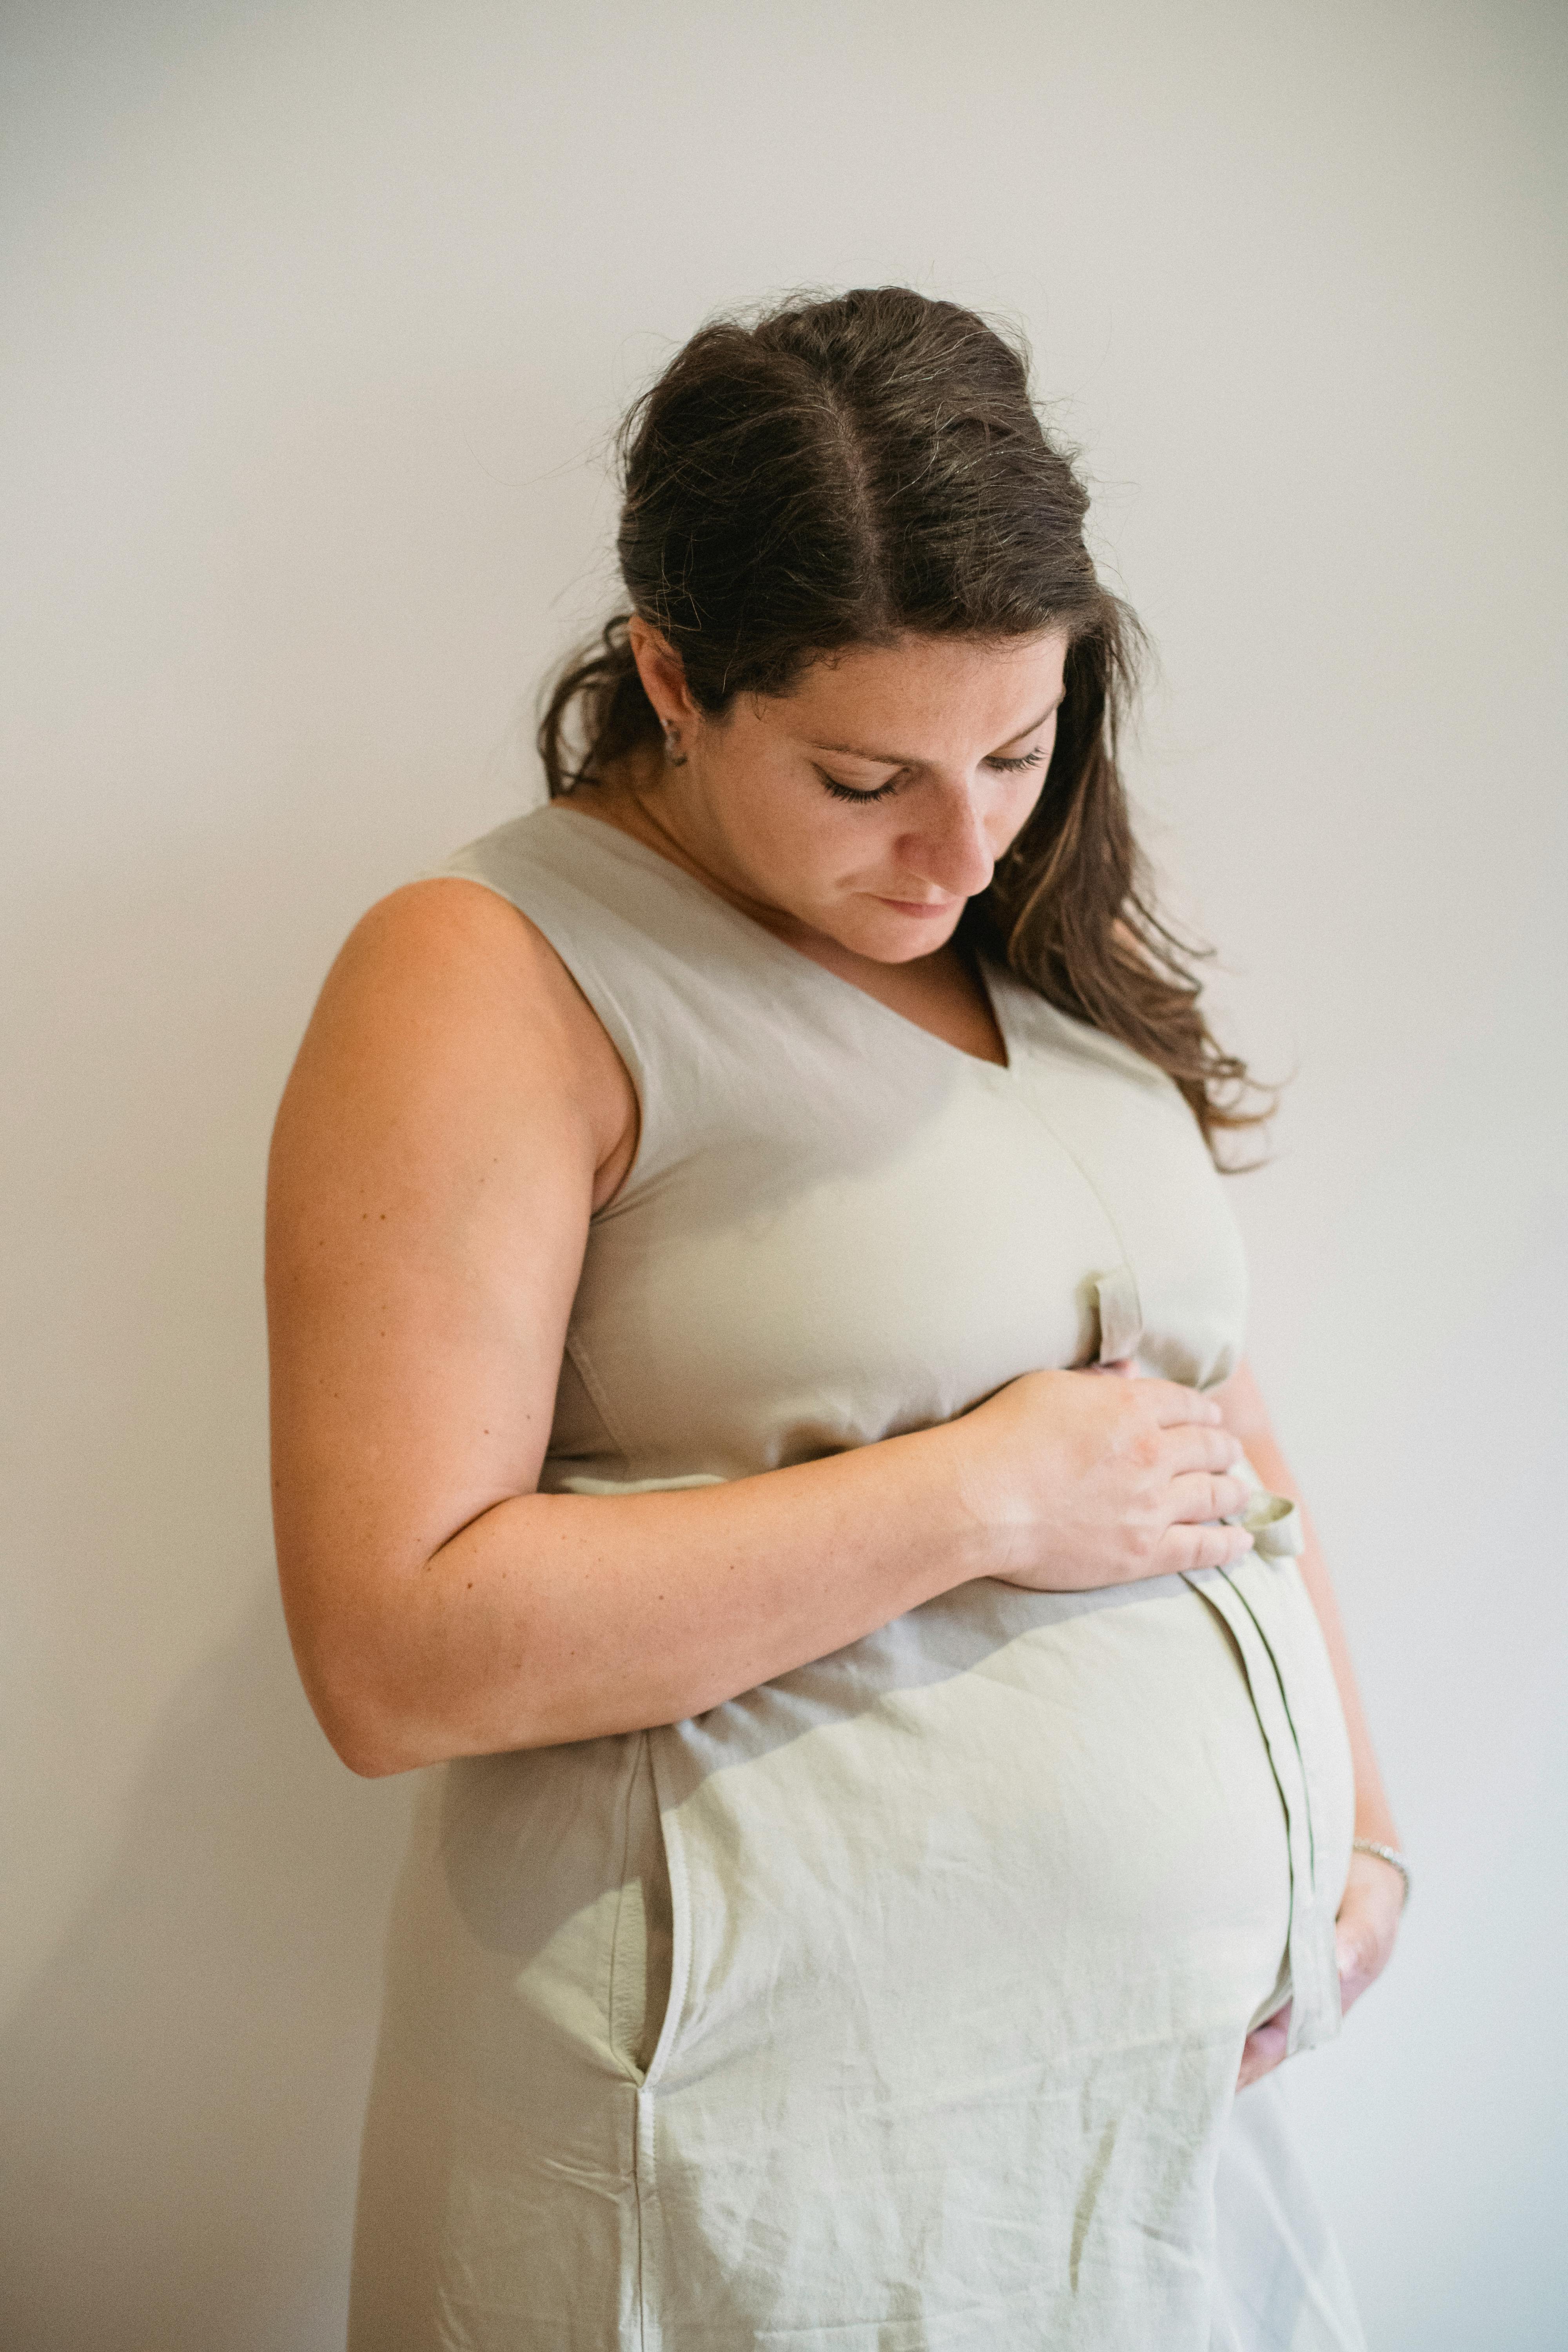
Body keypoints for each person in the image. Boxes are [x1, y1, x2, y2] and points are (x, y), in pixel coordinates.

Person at [265, 288, 1406, 2350]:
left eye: (1020, 746)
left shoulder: (1039, 924)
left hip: (1138, 2135)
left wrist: (1365, 1842)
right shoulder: (489, 971)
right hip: (746, 2161)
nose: (962, 846)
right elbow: (392, 1650)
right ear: (672, 679)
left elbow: (1203, 1408)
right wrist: (971, 1498)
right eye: (868, 773)